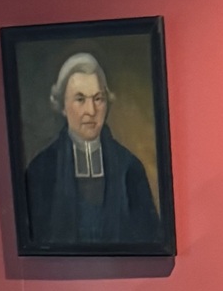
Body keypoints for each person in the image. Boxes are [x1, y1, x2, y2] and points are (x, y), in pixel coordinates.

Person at [24, 52, 161, 249]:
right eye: (80, 99)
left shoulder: (129, 167)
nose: (91, 110)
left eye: (98, 99)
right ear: (62, 105)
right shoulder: (41, 170)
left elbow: (150, 240)